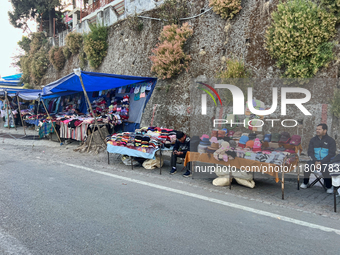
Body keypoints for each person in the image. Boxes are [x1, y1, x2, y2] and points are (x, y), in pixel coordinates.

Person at [300, 123, 336, 193]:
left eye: (319, 129)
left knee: (325, 168)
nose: (317, 131)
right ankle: (305, 183)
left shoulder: (331, 141)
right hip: (314, 161)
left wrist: (321, 162)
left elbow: (331, 154)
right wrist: (315, 161)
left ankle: (329, 186)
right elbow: (310, 152)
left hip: (326, 161)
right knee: (307, 166)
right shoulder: (313, 140)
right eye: (316, 129)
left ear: (325, 130)